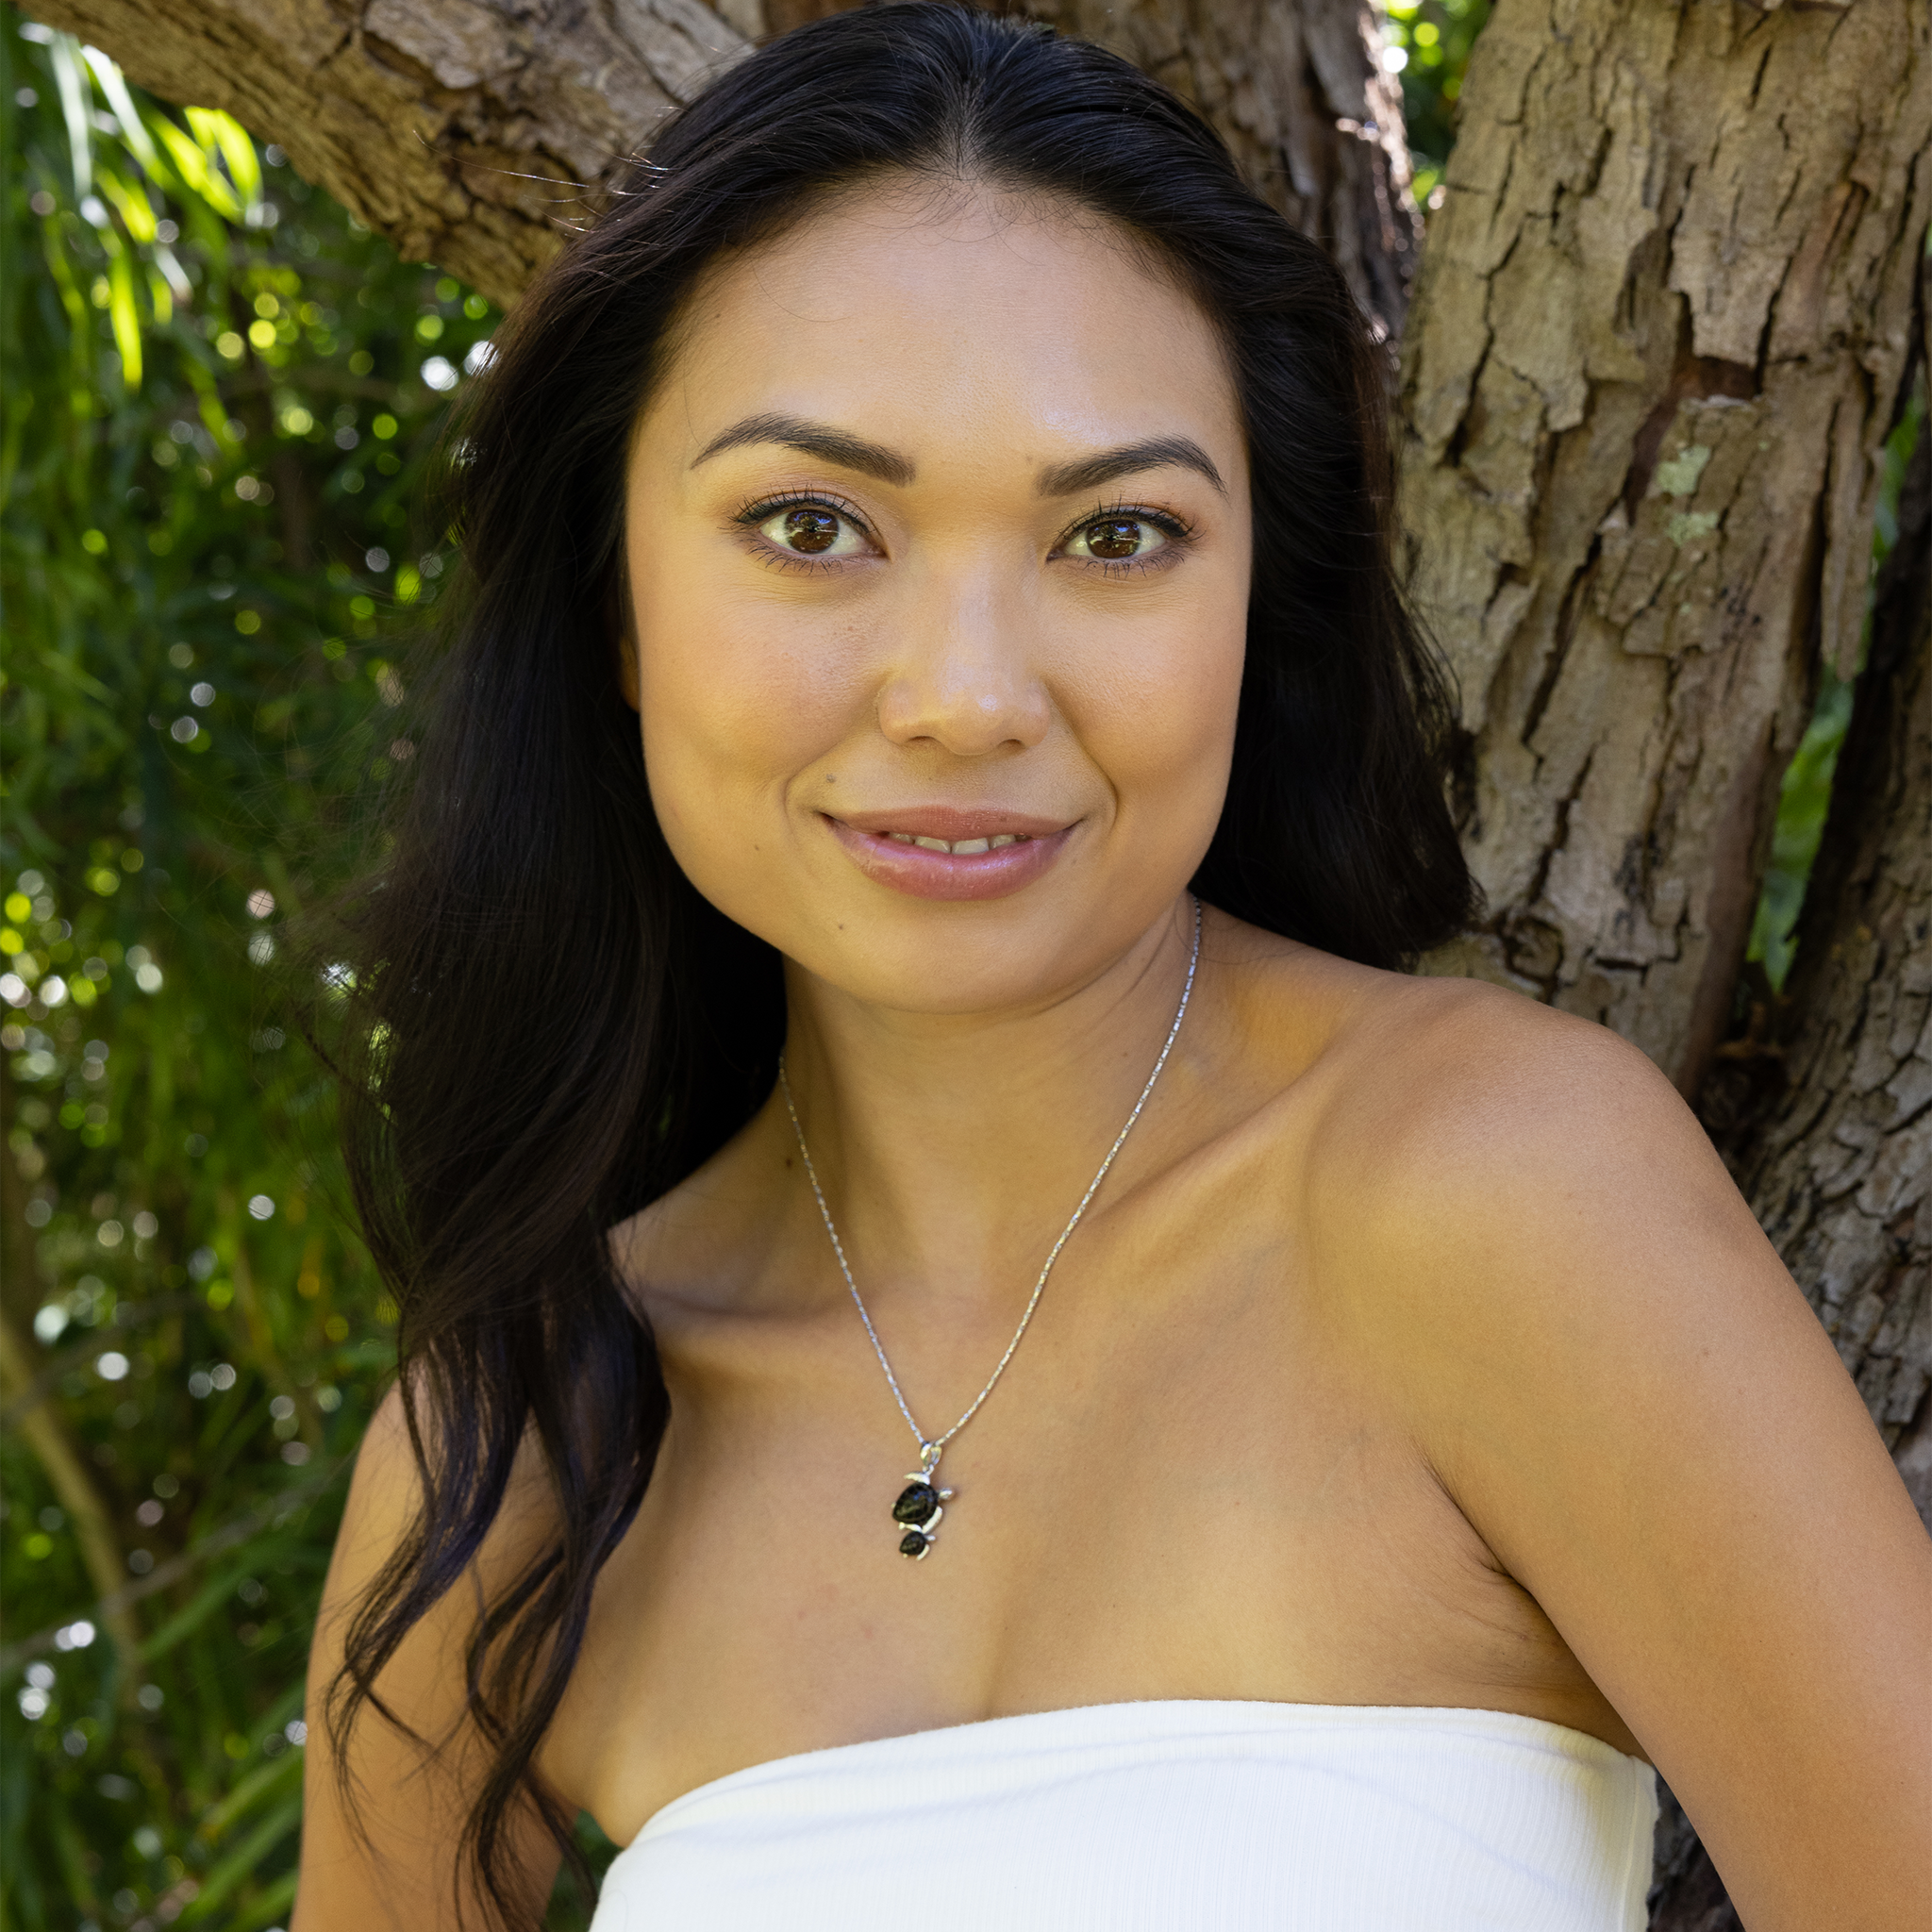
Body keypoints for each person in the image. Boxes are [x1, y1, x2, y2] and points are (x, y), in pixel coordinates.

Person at [290, 8, 1931, 1928]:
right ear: (619, 608)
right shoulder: (520, 1443)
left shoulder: (1496, 1193)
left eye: (1118, 533)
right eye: (811, 526)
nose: (968, 695)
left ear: (1255, 607)